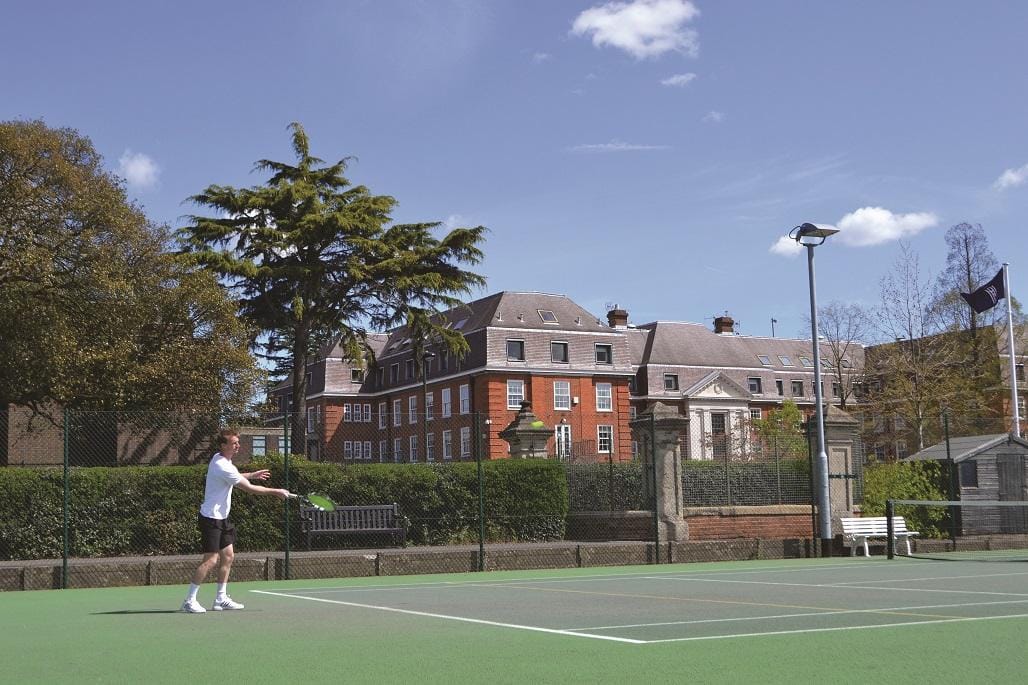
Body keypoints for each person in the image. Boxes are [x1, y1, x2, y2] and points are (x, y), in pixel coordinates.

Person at [181, 428, 291, 613]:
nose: (238, 446)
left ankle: (221, 599)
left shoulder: (223, 461)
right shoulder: (221, 465)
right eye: (234, 443)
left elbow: (238, 477)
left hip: (222, 518)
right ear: (223, 445)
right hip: (211, 518)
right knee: (211, 560)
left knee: (228, 556)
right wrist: (275, 491)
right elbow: (249, 489)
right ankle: (189, 600)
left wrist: (252, 474)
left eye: (238, 443)